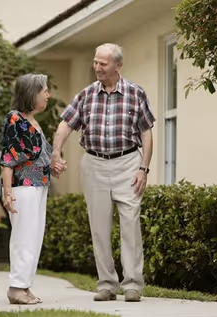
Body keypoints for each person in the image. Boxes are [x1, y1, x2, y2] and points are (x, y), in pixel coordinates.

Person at [51, 43, 155, 302]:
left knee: (130, 223)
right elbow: (66, 124)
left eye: (103, 63)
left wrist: (144, 168)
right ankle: (107, 284)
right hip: (95, 164)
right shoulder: (86, 95)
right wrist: (56, 151)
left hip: (128, 162)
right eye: (95, 62)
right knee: (98, 226)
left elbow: (146, 131)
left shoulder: (135, 93)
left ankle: (132, 284)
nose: (97, 67)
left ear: (118, 66)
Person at [0, 73, 66, 304]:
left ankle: (24, 286)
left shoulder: (32, 122)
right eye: (44, 90)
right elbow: (8, 159)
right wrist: (7, 193)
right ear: (31, 93)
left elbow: (38, 158)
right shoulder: (15, 119)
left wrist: (54, 167)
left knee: (34, 238)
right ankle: (16, 288)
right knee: (23, 238)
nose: (48, 94)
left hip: (38, 186)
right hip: (22, 187)